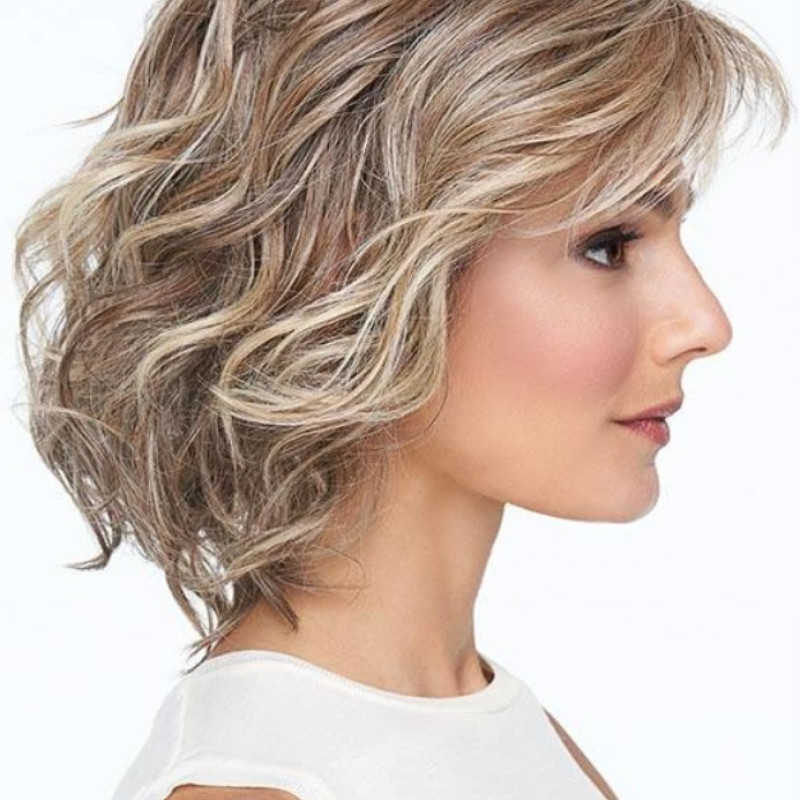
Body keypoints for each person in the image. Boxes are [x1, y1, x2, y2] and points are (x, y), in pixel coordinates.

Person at [12, 0, 791, 799]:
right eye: (608, 246)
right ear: (352, 264)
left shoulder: (487, 719)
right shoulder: (265, 783)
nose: (706, 324)